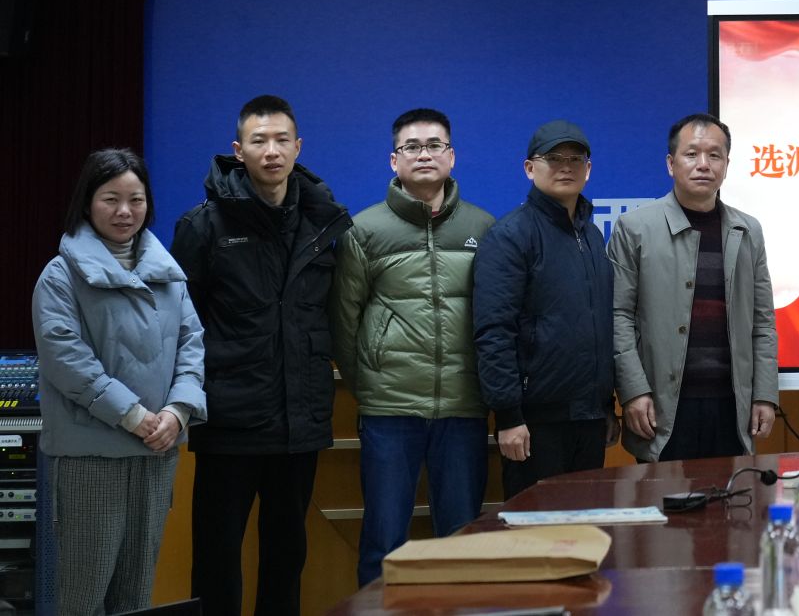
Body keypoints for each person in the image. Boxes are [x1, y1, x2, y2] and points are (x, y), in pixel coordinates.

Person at [171, 94, 351, 616]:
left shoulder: (321, 221)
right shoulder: (203, 226)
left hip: (299, 422)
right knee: (217, 557)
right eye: (259, 141)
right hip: (230, 421)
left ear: (298, 147)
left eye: (281, 140)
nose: (271, 151)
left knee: (287, 554)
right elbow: (180, 326)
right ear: (238, 150)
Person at [34, 148, 207, 616]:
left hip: (156, 452)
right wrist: (132, 415)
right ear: (87, 203)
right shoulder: (60, 276)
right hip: (92, 458)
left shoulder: (168, 274)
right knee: (84, 597)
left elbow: (192, 343)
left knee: (135, 597)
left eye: (136, 199)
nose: (125, 211)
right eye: (111, 199)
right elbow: (66, 358)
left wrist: (178, 411)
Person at [330, 107, 497, 587]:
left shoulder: (483, 227)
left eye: (434, 145)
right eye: (412, 147)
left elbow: (495, 320)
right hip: (390, 409)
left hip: (463, 407)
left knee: (461, 540)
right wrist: (371, 386)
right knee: (383, 541)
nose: (424, 154)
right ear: (394, 159)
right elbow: (344, 321)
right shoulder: (364, 230)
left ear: (452, 156)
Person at [611, 112, 779, 461]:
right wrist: (633, 391)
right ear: (670, 163)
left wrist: (764, 394)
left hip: (732, 407)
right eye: (691, 154)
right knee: (662, 495)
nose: (704, 164)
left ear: (727, 165)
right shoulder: (635, 228)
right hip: (661, 407)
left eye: (714, 155)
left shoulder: (748, 230)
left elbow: (763, 321)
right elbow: (618, 316)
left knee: (732, 496)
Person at [473, 118, 617, 500]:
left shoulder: (592, 235)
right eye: (554, 158)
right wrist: (508, 416)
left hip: (588, 418)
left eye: (575, 159)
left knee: (586, 526)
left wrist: (605, 406)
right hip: (534, 422)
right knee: (536, 529)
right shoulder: (510, 235)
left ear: (588, 168)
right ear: (529, 168)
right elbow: (494, 332)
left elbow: (599, 324)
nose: (566, 167)